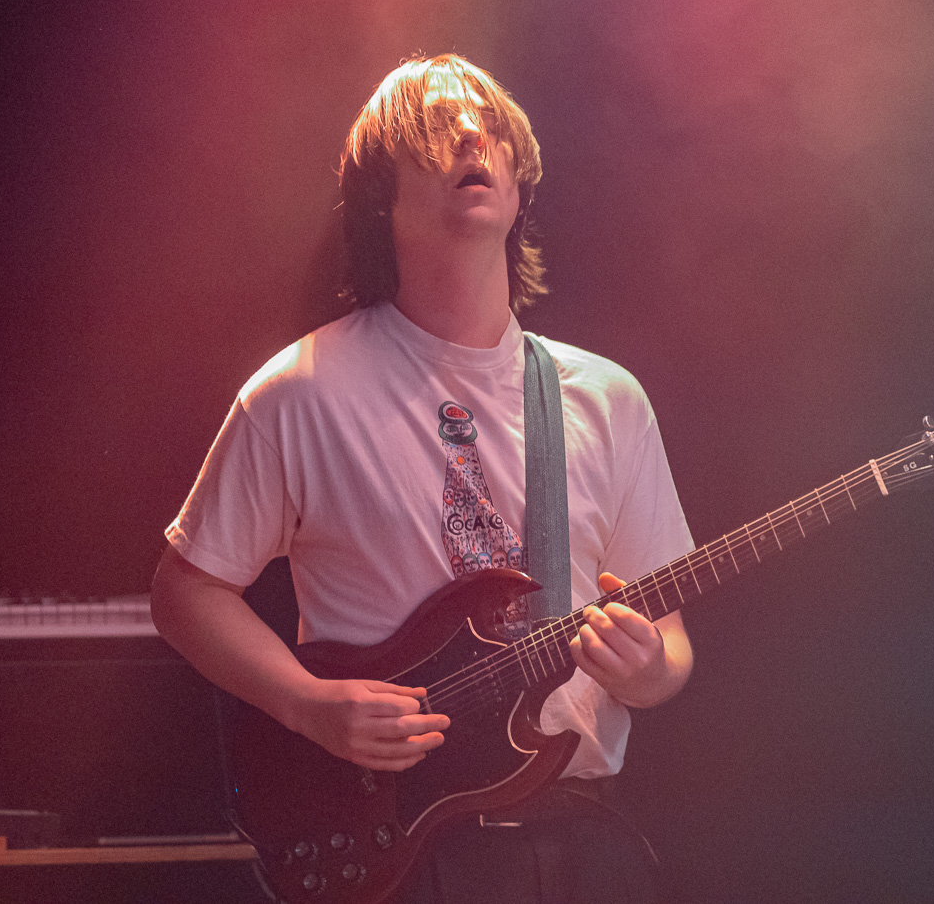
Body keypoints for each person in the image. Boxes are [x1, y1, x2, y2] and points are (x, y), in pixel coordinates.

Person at [150, 54, 694, 902]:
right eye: (438, 131)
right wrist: (308, 704)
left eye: (492, 130)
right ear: (381, 195)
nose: (472, 136)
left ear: (519, 191)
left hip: (584, 841)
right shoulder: (300, 391)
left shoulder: (608, 399)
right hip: (398, 849)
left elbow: (670, 644)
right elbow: (186, 592)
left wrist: (646, 667)